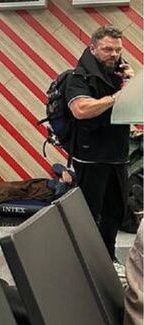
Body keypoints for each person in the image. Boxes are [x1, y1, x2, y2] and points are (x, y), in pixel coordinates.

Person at [66, 25, 135, 260]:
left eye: (117, 50)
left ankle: (108, 257)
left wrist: (133, 83)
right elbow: (81, 109)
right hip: (91, 157)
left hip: (118, 155)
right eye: (107, 49)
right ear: (93, 49)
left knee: (115, 212)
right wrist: (116, 97)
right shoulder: (77, 77)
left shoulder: (119, 76)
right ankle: (85, 261)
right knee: (89, 214)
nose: (113, 54)